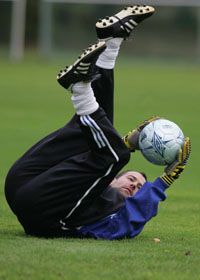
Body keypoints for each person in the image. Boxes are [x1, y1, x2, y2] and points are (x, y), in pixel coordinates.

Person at [5, 5, 191, 240]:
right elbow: (102, 160)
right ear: (114, 178)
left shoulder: (114, 214)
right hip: (21, 181)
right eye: (132, 179)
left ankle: (80, 88)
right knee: (92, 139)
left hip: (44, 213)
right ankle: (112, 40)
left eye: (138, 189)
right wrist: (126, 143)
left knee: (115, 154)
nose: (134, 187)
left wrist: (164, 182)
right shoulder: (95, 182)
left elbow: (127, 223)